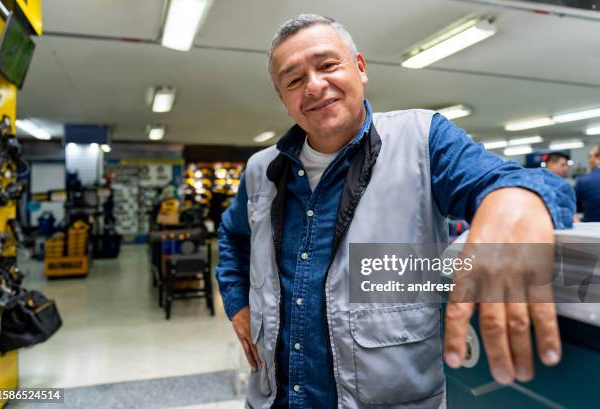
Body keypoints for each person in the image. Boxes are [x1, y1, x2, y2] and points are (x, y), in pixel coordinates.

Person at [216, 14, 575, 409]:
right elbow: (233, 237)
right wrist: (238, 304)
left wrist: (516, 198)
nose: (314, 86)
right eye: (294, 80)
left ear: (360, 67)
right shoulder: (261, 170)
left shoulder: (423, 139)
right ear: (284, 100)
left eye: (328, 65)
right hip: (276, 399)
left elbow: (510, 181)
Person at [575, 144, 600, 222]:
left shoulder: (584, 180)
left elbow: (576, 208)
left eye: (590, 156)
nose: (589, 160)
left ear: (597, 158)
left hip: (592, 229)